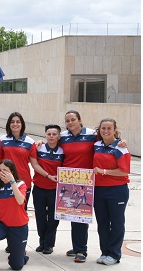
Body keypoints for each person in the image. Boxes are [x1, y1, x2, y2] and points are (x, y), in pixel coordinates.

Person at [59, 110, 98, 263]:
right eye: (67, 120)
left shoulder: (92, 134)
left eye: (73, 119)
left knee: (81, 216)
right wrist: (41, 142)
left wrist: (122, 142)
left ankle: (81, 250)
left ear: (80, 120)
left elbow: (110, 140)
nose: (70, 123)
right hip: (67, 180)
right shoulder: (63, 136)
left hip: (86, 181)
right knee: (72, 215)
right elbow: (52, 143)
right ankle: (76, 246)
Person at [92, 118, 131, 266]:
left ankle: (114, 254)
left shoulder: (121, 148)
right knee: (102, 223)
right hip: (99, 190)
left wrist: (103, 171)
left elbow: (124, 171)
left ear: (115, 130)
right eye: (103, 128)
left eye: (109, 128)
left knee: (116, 223)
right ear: (99, 130)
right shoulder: (96, 145)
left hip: (117, 190)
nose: (106, 131)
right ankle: (105, 252)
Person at [32, 124, 64, 255]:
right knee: (40, 217)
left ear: (59, 136)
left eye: (54, 134)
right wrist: (48, 175)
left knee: (53, 218)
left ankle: (49, 244)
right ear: (45, 135)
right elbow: (34, 164)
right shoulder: (38, 148)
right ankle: (42, 241)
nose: (51, 136)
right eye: (49, 134)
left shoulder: (63, 151)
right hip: (39, 187)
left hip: (56, 190)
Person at [0, 112, 37, 209]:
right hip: (5, 180)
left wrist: (47, 175)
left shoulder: (30, 141)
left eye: (18, 122)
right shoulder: (3, 139)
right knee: (6, 210)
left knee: (22, 210)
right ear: (9, 124)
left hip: (23, 181)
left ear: (22, 124)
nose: (15, 124)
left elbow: (35, 164)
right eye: (12, 122)